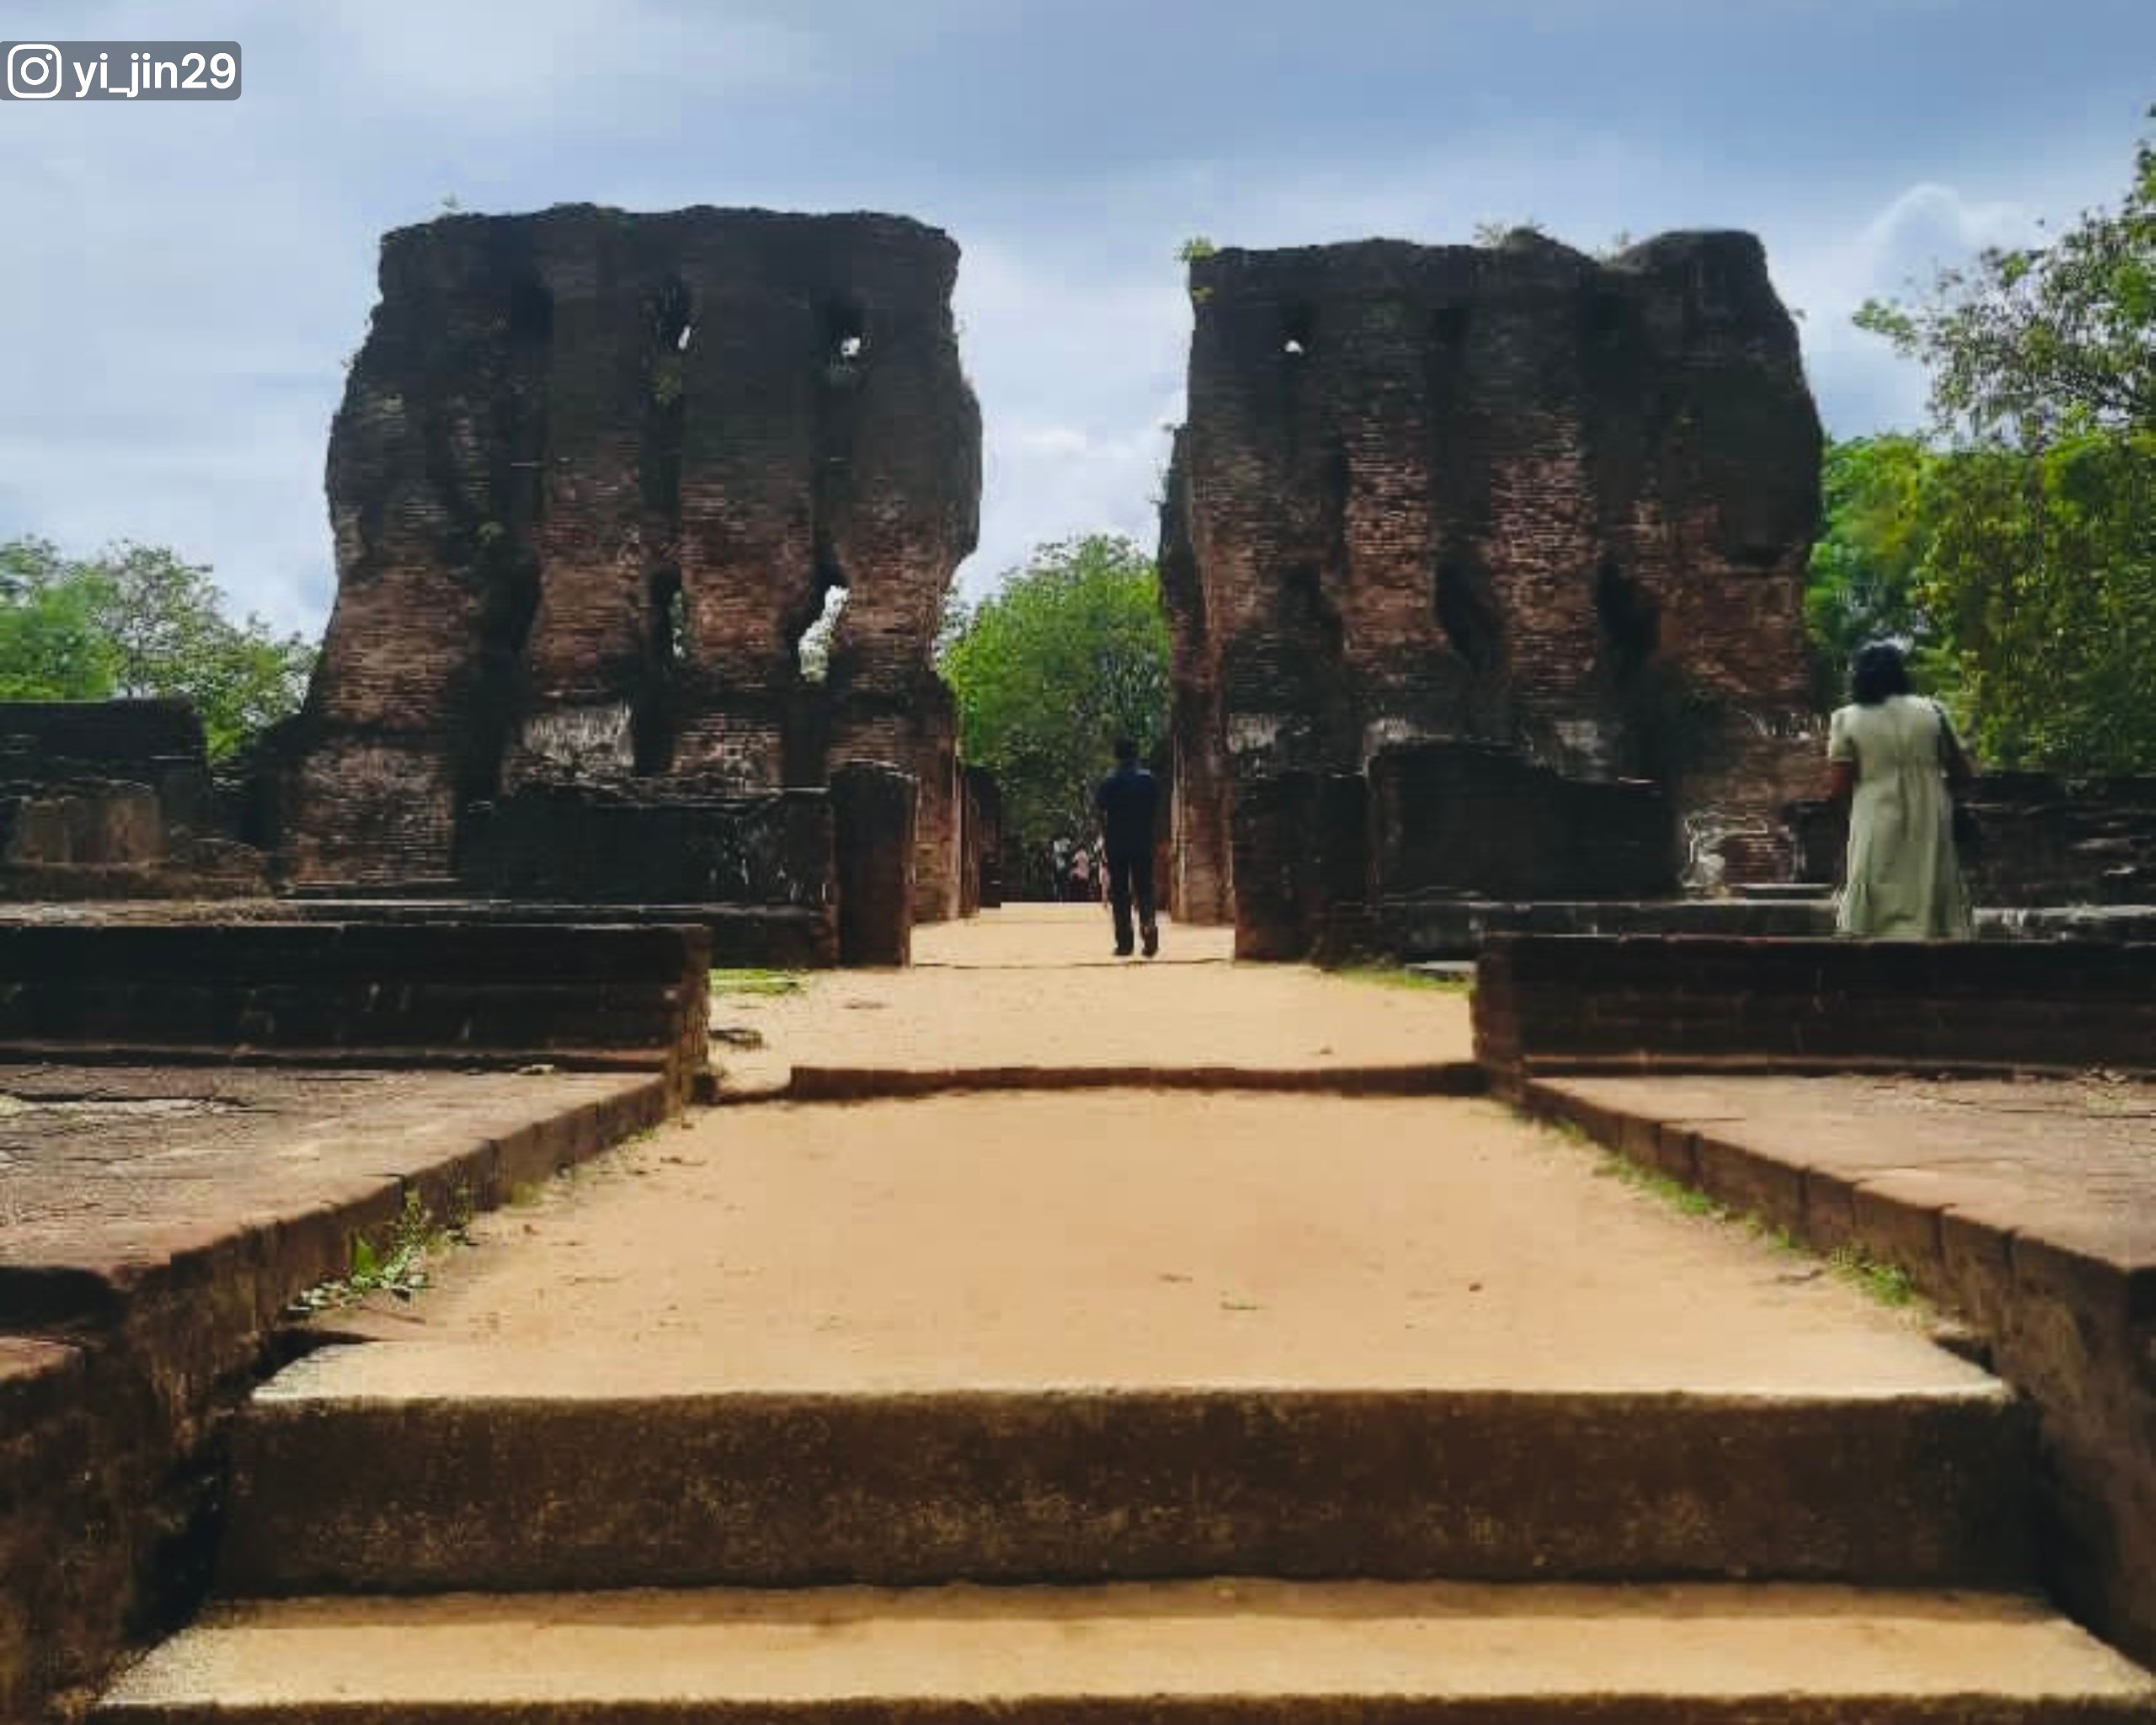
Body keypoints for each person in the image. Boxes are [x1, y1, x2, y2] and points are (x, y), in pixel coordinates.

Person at [1826, 641, 1974, 940]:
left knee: (1874, 872)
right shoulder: (1933, 711)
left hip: (1874, 808)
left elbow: (1840, 784)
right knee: (1929, 869)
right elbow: (1963, 772)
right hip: (1931, 808)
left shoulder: (1846, 717)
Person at [1094, 737, 1161, 958]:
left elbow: (1101, 813)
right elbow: (1155, 810)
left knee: (1120, 893)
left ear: (1117, 755)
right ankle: (1149, 925)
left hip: (1117, 843)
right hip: (1142, 841)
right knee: (1145, 889)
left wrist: (1106, 838)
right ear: (1136, 754)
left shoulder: (1109, 782)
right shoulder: (1148, 780)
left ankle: (1125, 942)